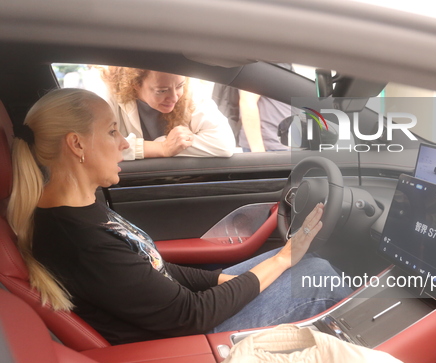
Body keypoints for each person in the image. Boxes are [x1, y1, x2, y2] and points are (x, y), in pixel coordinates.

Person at [7, 88, 350, 345]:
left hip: (180, 312)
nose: (124, 144)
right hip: (190, 339)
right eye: (112, 131)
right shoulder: (78, 241)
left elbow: (156, 268)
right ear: (77, 145)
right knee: (317, 278)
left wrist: (229, 281)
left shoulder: (82, 206)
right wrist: (282, 264)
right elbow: (190, 315)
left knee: (298, 263)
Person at [101, 67, 236, 160]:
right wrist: (161, 148)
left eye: (179, 86)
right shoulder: (109, 96)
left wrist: (170, 144)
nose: (174, 98)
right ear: (135, 84)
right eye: (162, 91)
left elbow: (224, 144)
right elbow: (99, 147)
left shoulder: (191, 92)